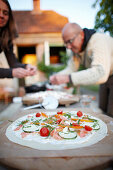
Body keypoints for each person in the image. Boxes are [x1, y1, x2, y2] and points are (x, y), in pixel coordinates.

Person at [50, 22, 113, 117]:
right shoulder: (76, 50)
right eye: (65, 43)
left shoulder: (98, 40)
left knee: (111, 113)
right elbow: (71, 69)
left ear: (81, 35)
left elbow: (100, 72)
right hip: (106, 76)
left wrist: (68, 78)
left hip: (107, 74)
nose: (68, 47)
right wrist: (56, 77)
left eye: (70, 41)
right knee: (102, 108)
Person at [0, 0, 37, 79]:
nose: (1, 15)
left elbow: (13, 63)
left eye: (5, 13)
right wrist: (12, 72)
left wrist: (26, 66)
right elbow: (12, 70)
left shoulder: (6, 38)